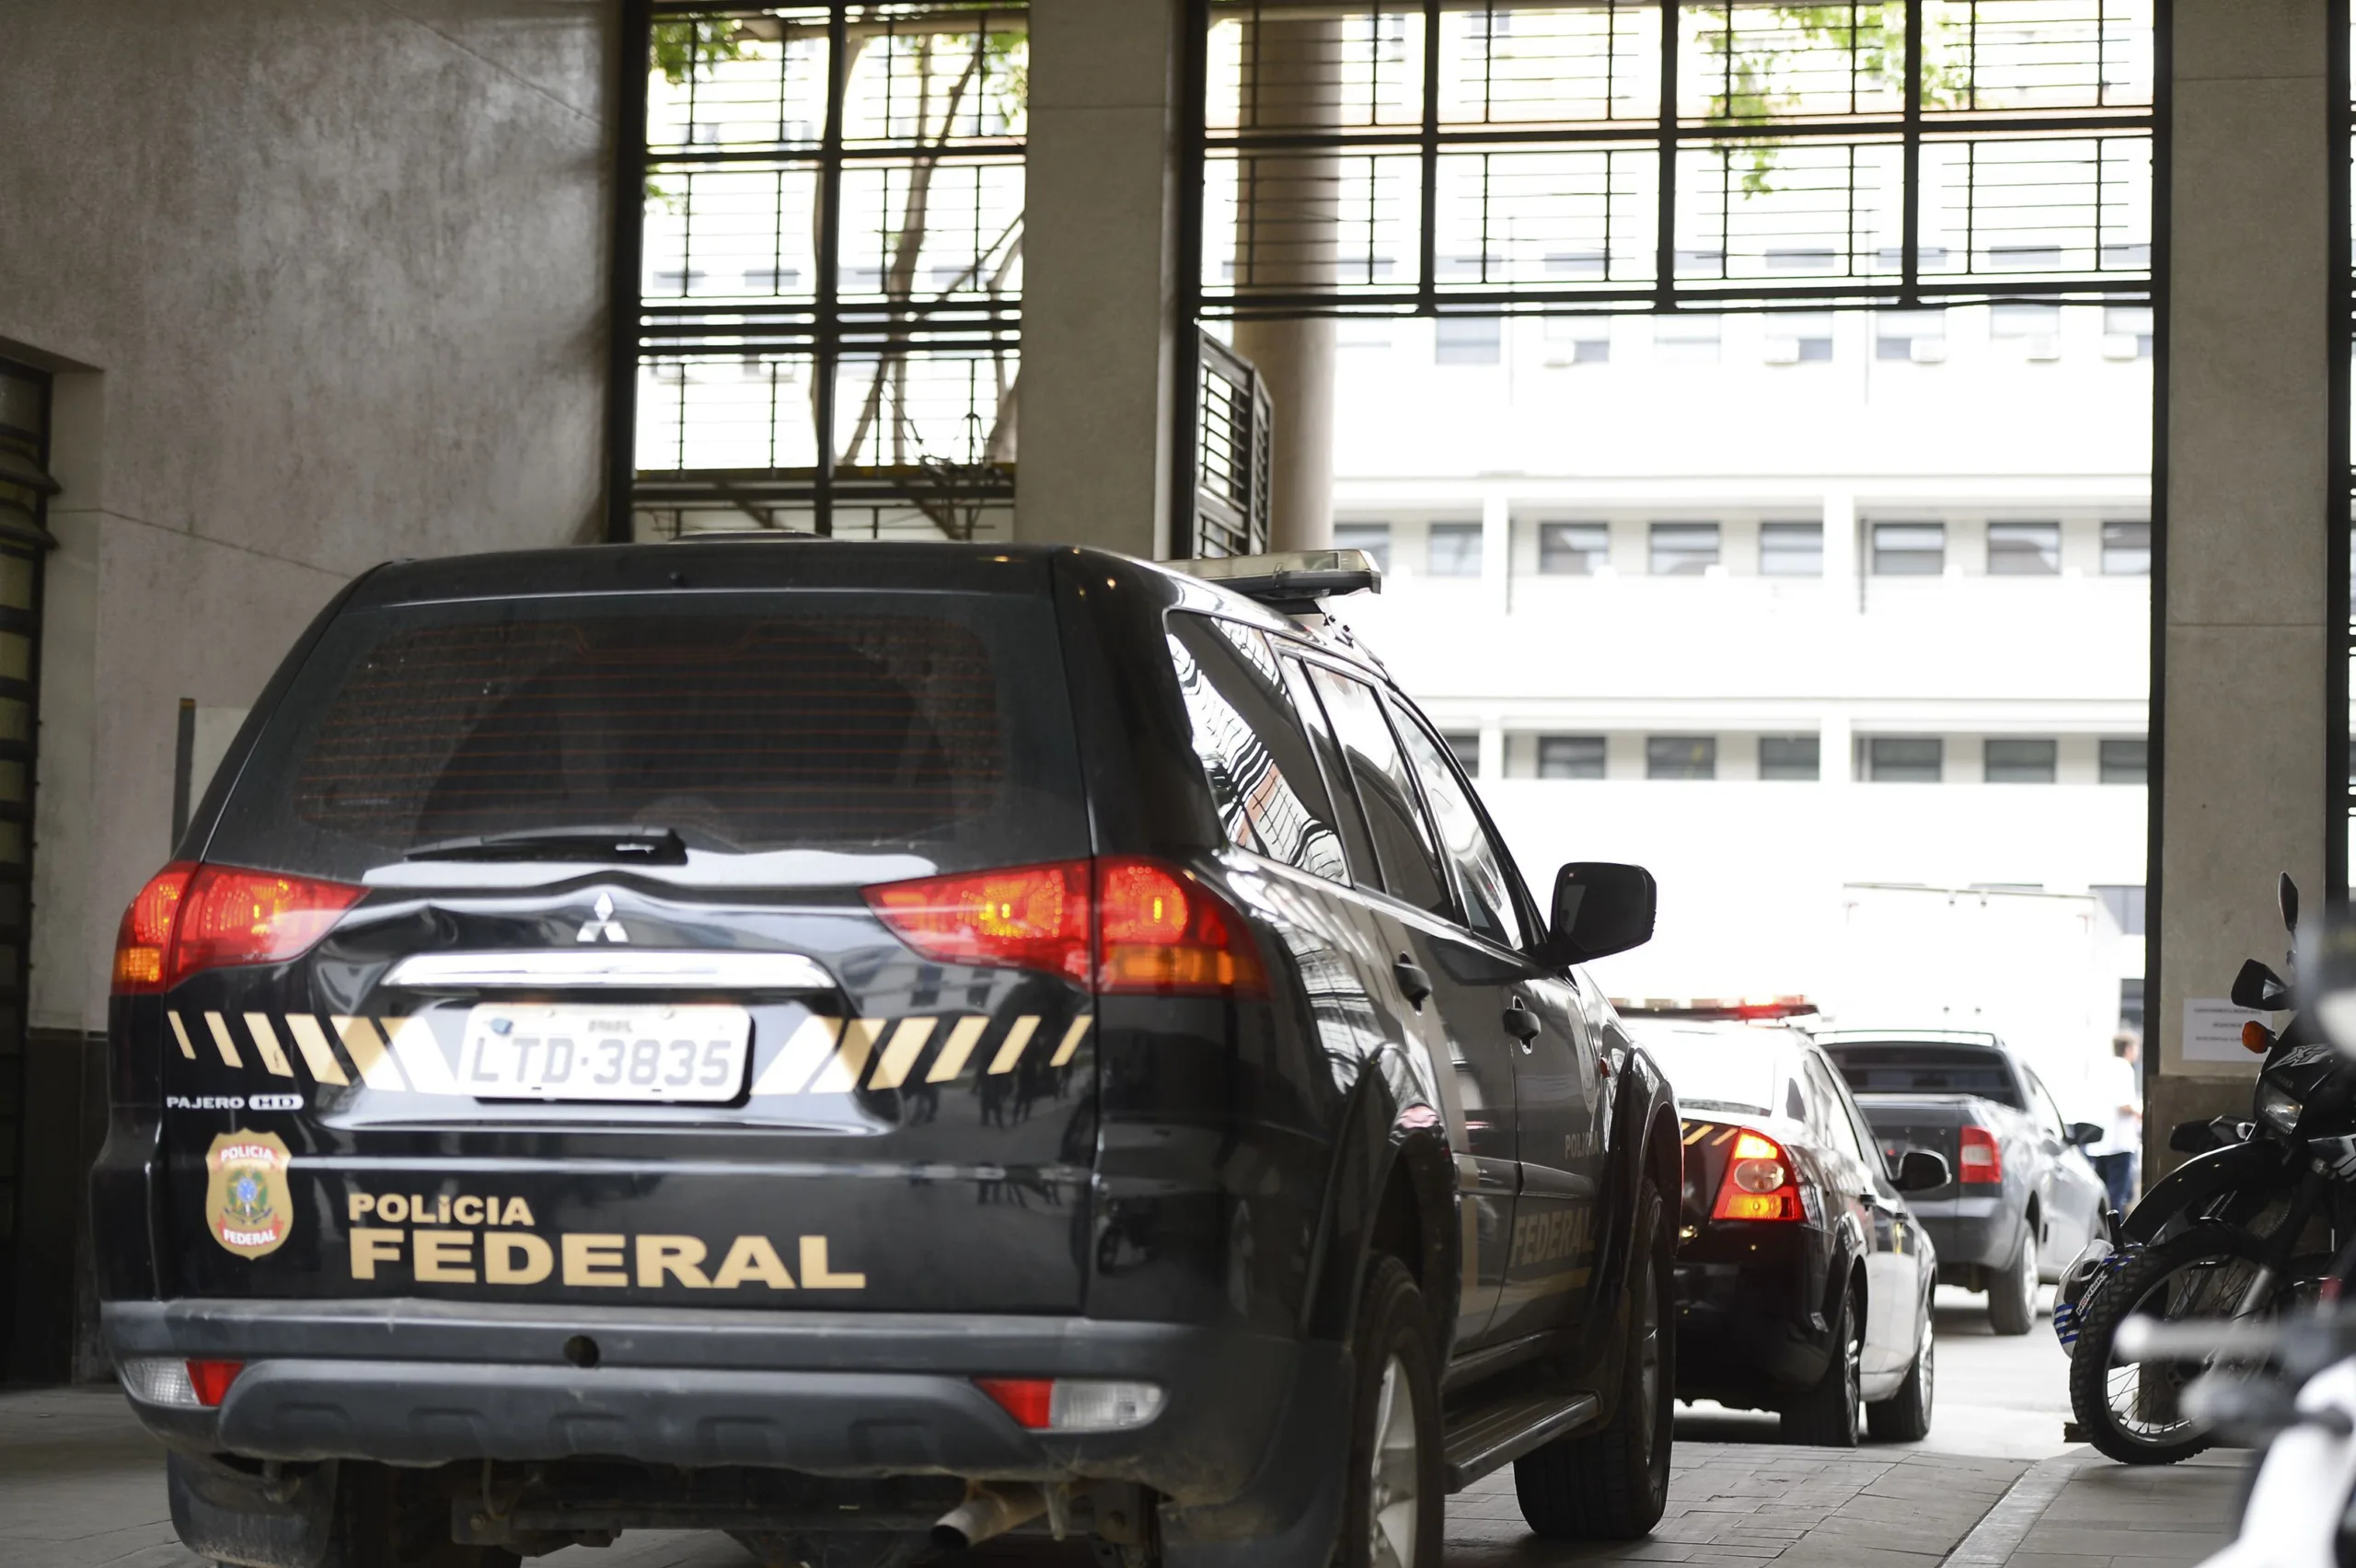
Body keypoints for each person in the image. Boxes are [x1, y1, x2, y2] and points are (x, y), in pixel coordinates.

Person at [2086, 1032, 2142, 1216]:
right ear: (2128, 1049)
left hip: (2099, 1144)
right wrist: (2141, 1113)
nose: (2137, 1053)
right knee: (2117, 1197)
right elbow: (2124, 1105)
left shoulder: (2103, 1067)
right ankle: (2114, 1239)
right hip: (2119, 1144)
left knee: (2103, 1197)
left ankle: (2101, 1235)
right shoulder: (2124, 1068)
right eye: (2136, 1048)